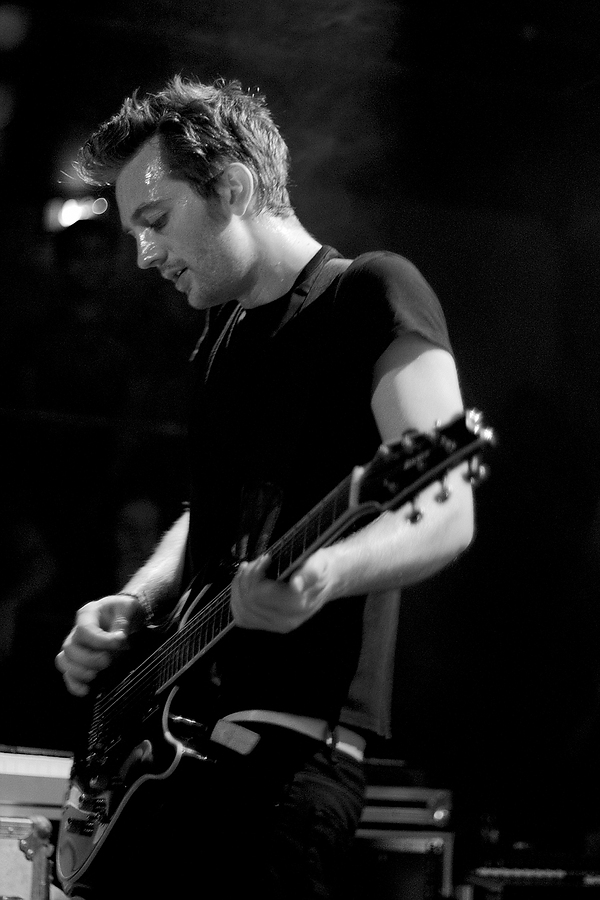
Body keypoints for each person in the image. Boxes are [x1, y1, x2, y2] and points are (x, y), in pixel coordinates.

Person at [55, 75, 475, 900]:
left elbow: (448, 507)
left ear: (235, 187)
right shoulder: (221, 338)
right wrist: (137, 598)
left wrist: (322, 575)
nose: (144, 254)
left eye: (155, 219)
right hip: (174, 744)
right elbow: (209, 516)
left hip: (284, 767)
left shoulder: (375, 292)